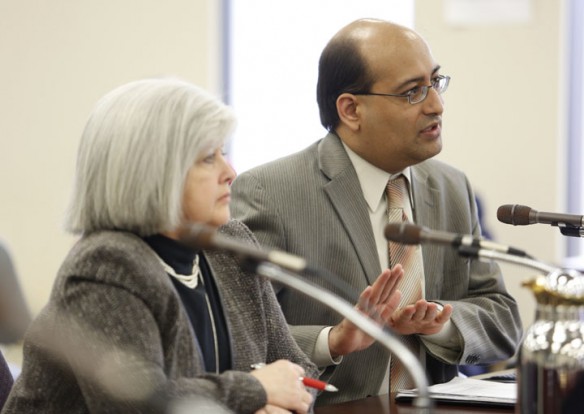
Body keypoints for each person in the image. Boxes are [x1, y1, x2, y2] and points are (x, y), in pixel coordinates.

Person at [230, 18, 523, 406]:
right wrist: (331, 341)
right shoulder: (270, 191)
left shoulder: (451, 187)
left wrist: (442, 323)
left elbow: (505, 321)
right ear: (351, 110)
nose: (436, 105)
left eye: (435, 83)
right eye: (412, 92)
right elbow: (238, 340)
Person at [2, 78, 326, 414]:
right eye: (207, 158)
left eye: (223, 153)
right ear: (154, 171)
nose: (230, 172)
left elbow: (296, 372)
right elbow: (138, 405)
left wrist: (286, 404)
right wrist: (255, 389)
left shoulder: (231, 246)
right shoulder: (107, 264)